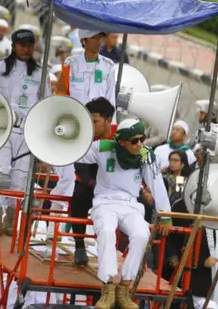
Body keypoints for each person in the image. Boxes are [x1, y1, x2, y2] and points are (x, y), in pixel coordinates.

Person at [77, 118, 171, 309]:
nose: (139, 144)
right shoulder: (103, 147)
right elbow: (77, 153)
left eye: (142, 139)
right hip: (105, 201)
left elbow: (157, 185)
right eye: (135, 140)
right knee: (106, 231)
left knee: (142, 234)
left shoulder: (147, 155)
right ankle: (109, 285)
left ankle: (124, 287)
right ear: (121, 141)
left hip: (131, 204)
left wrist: (166, 215)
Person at [0, 28, 50, 236]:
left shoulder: (40, 74)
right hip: (3, 129)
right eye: (22, 45)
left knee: (20, 179)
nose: (26, 49)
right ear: (14, 46)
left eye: (29, 45)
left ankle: (11, 221)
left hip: (26, 133)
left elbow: (46, 103)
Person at [70, 97, 116, 265]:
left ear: (108, 120)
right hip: (90, 185)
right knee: (79, 195)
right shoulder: (84, 138)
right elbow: (81, 170)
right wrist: (96, 185)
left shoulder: (120, 136)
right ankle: (79, 247)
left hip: (114, 189)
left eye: (95, 121)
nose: (91, 125)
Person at [54, 30, 116, 106]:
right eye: (94, 38)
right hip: (75, 116)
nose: (99, 41)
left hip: (98, 117)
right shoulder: (70, 64)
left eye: (100, 37)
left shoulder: (108, 66)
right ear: (83, 40)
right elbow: (60, 96)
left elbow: (111, 100)